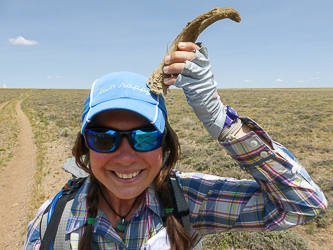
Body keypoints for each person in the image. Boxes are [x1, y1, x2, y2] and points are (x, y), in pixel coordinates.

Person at [24, 42, 327, 250]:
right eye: (104, 138)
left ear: (165, 146)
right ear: (85, 148)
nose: (126, 156)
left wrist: (223, 122)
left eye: (145, 137)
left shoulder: (188, 202)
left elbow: (302, 204)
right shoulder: (53, 221)